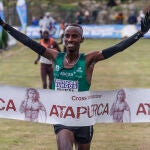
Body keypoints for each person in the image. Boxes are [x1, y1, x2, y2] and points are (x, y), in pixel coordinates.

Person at [0, 11, 150, 150]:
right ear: (63, 38)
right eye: (67, 36)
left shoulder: (89, 59)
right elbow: (28, 42)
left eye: (74, 36)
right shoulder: (54, 57)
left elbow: (118, 48)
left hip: (84, 119)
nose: (70, 39)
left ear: (81, 39)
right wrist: (5, 26)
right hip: (62, 118)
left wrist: (140, 33)